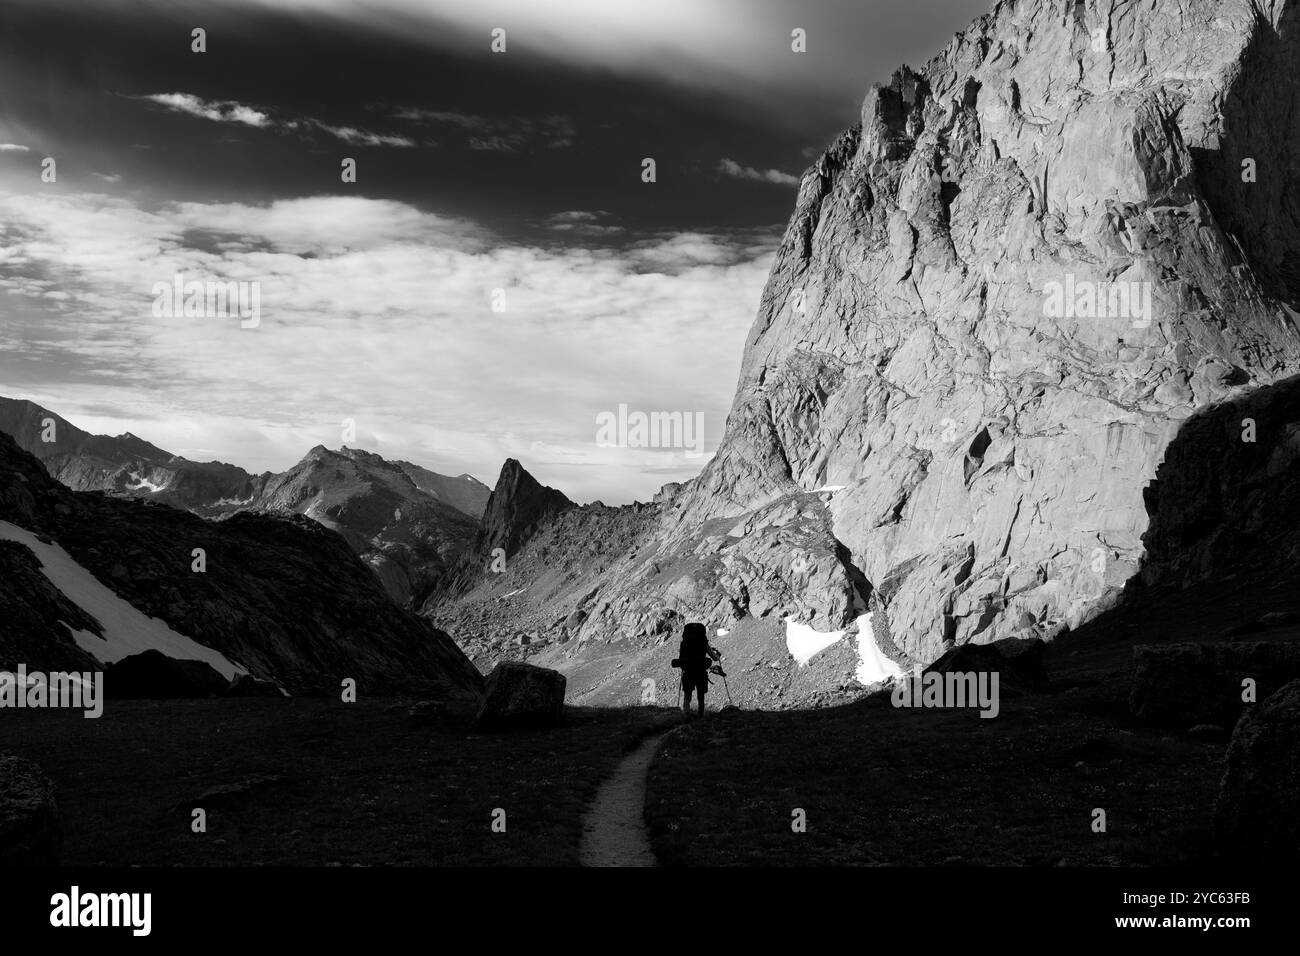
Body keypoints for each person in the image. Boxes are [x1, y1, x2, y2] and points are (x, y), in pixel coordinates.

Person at [677, 621, 711, 717]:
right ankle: (701, 715)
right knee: (701, 695)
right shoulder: (703, 643)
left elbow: (681, 658)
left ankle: (686, 714)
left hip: (688, 671)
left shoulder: (684, 643)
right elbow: (715, 657)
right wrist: (717, 655)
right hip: (700, 672)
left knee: (687, 695)